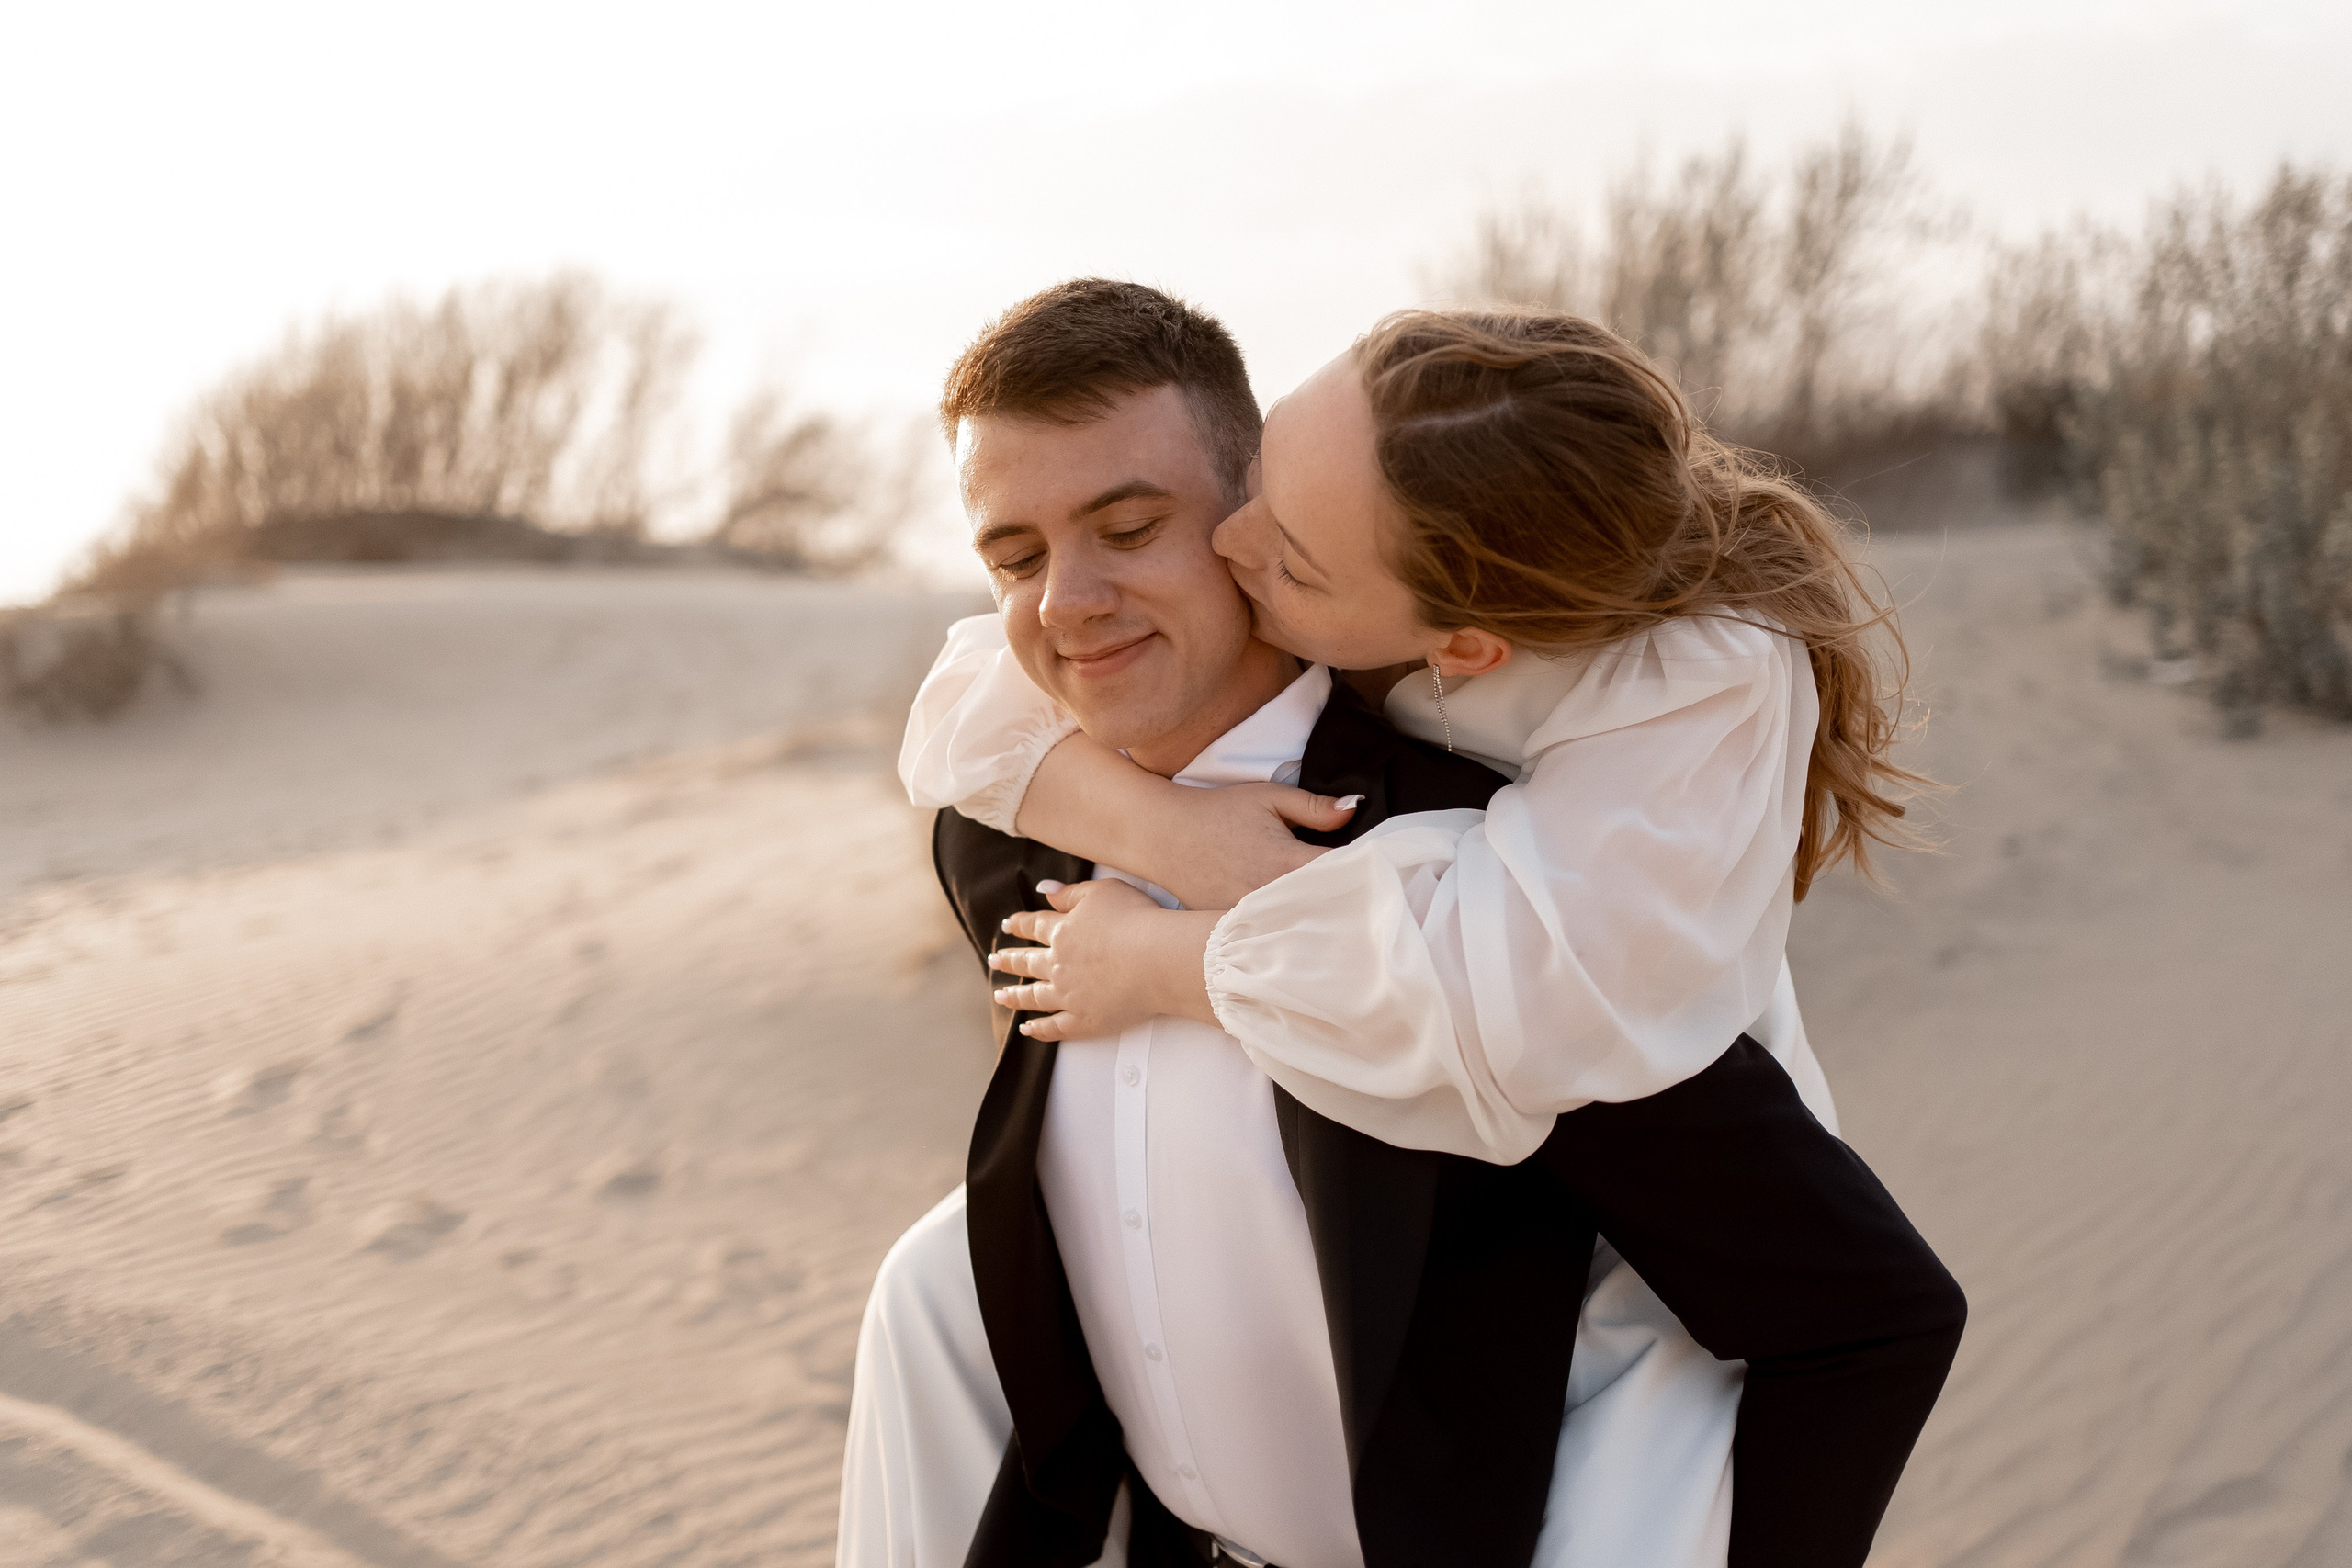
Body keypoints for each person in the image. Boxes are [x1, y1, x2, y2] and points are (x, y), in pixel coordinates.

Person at [846, 281, 1961, 1568]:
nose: (1064, 604)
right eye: (1016, 558)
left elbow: (1866, 1314)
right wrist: (1166, 839)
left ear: (1244, 511)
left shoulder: (1492, 922)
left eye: (1132, 526)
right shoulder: (1002, 834)